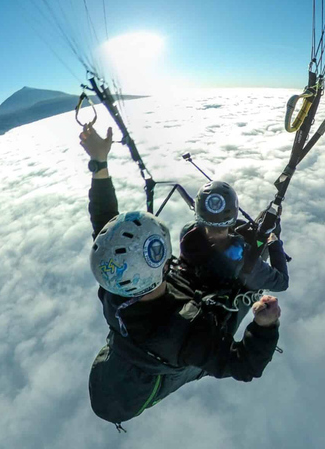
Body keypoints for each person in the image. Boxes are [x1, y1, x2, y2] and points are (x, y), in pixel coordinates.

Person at [80, 123, 282, 428]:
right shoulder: (186, 337)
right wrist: (266, 326)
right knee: (235, 298)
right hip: (164, 365)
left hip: (124, 357)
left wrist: (99, 163)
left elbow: (106, 225)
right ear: (159, 269)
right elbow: (244, 365)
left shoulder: (116, 280)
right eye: (158, 251)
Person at [179, 180, 290, 294]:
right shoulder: (246, 261)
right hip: (232, 285)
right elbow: (282, 283)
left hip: (193, 285)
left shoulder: (187, 232)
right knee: (260, 243)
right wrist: (274, 242)